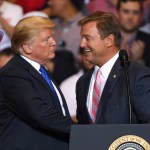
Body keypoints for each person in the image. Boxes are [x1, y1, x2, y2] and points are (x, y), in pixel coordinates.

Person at [0, 16, 73, 150]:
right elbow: (39, 113)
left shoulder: (38, 71)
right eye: (47, 39)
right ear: (28, 47)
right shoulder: (14, 73)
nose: (54, 42)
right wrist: (81, 130)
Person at [76, 11, 150, 124]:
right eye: (82, 38)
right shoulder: (83, 82)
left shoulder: (136, 76)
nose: (82, 44)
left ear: (109, 40)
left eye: (87, 38)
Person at [60, 47, 93, 122]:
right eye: (87, 53)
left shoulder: (109, 80)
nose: (91, 58)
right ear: (80, 57)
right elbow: (66, 119)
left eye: (94, 53)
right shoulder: (67, 85)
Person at [117, 0, 150, 67]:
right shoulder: (107, 38)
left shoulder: (148, 41)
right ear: (118, 13)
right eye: (126, 11)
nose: (130, 17)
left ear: (141, 15)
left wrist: (139, 60)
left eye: (135, 12)